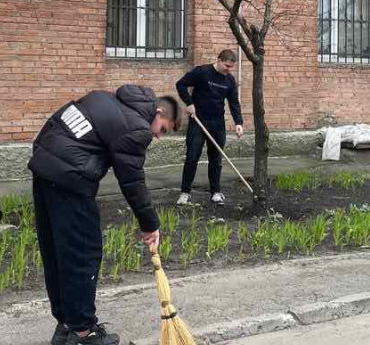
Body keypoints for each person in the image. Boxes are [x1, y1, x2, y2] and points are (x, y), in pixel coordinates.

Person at [29, 86, 177, 345]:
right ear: (158, 111)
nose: (158, 136)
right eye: (163, 129)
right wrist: (150, 225)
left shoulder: (101, 98)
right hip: (70, 178)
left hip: (44, 168)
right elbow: (132, 181)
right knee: (84, 253)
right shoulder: (136, 127)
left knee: (57, 252)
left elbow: (56, 122)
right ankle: (83, 333)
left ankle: (66, 325)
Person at [175, 49, 245, 206]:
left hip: (217, 123)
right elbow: (181, 84)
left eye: (231, 67)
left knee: (216, 158)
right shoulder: (202, 72)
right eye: (227, 66)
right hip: (198, 121)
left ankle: (215, 192)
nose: (228, 69)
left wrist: (238, 123)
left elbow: (234, 102)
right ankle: (185, 192)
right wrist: (189, 103)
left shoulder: (229, 80)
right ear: (219, 60)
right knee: (192, 157)